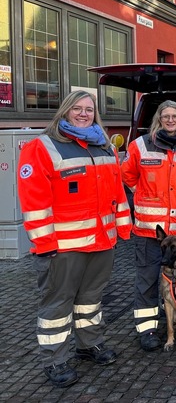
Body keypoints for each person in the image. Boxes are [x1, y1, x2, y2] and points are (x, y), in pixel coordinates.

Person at [17, 90, 132, 388]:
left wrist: (122, 229)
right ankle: (54, 360)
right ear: (65, 111)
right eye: (77, 109)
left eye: (89, 110)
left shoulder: (104, 145)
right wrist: (44, 245)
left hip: (101, 242)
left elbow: (117, 192)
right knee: (57, 306)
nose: (83, 114)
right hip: (63, 248)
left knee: (91, 300)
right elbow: (34, 202)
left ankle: (88, 345)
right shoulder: (42, 147)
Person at [121, 100, 176, 351]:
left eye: (175, 116)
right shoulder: (140, 146)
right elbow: (126, 175)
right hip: (150, 231)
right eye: (166, 116)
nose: (170, 120)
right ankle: (148, 329)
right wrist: (142, 193)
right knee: (147, 280)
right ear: (159, 119)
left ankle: (171, 318)